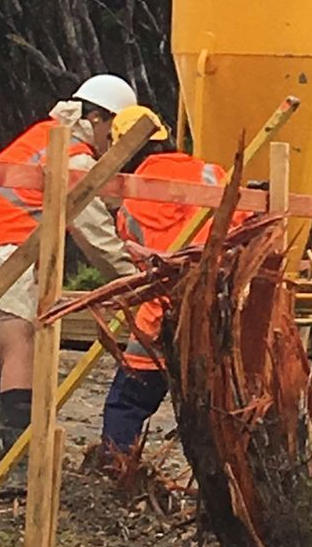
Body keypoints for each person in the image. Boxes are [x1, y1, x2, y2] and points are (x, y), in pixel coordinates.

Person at [0, 74, 140, 467]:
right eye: (113, 132)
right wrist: (134, 280)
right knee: (20, 342)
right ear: (97, 119)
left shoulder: (45, 134)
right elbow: (95, 235)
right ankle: (18, 463)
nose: (113, 144)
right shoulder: (74, 156)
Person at [100, 103, 240, 458]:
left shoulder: (134, 198)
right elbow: (241, 227)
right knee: (215, 411)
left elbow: (138, 258)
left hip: (162, 312)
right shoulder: (211, 173)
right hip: (219, 309)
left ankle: (117, 466)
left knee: (127, 404)